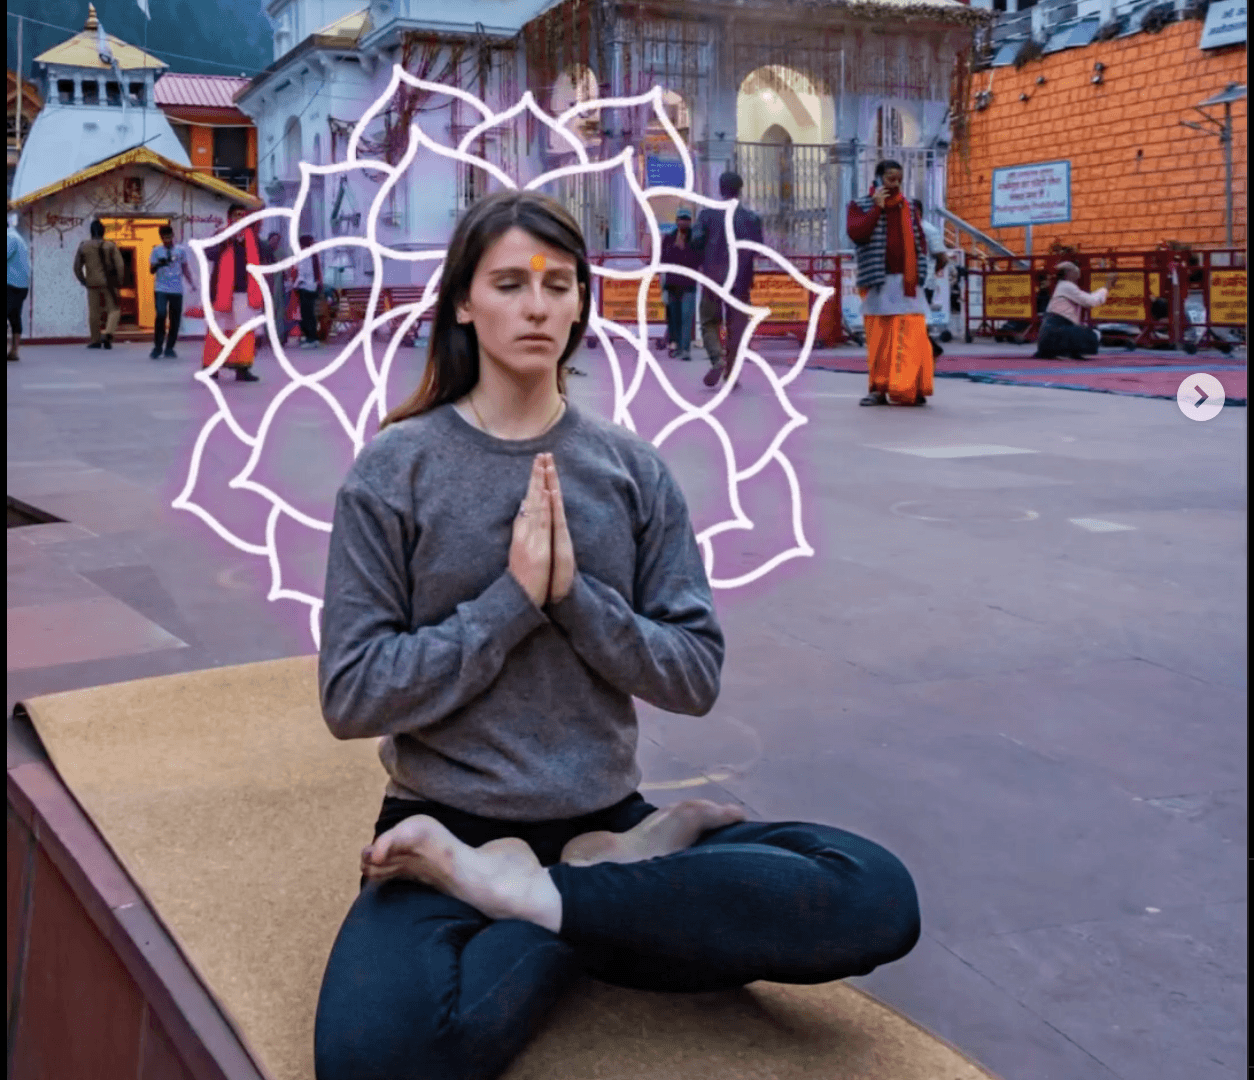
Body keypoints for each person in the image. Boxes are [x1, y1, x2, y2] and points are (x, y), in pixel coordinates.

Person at [312, 189, 921, 1080]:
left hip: (606, 819)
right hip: (443, 831)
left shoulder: (631, 469)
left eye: (558, 284)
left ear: (581, 303)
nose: (536, 305)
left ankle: (546, 894)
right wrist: (512, 602)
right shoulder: (394, 471)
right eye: (510, 282)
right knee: (374, 1063)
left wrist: (578, 599)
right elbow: (352, 693)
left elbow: (694, 674)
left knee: (873, 892)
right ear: (461, 303)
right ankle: (584, 903)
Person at [846, 161, 931, 407]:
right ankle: (878, 389)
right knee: (880, 341)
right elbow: (857, 234)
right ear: (879, 179)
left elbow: (920, 242)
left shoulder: (910, 206)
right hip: (878, 281)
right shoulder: (860, 205)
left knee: (913, 336)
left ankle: (910, 388)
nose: (895, 185)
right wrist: (876, 209)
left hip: (908, 282)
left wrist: (921, 273)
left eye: (899, 180)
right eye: (890, 180)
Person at [691, 171, 763, 388]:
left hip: (713, 277)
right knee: (737, 328)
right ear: (740, 190)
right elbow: (758, 249)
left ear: (721, 190)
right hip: (740, 281)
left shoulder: (707, 216)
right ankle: (732, 373)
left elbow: (696, 241)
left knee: (709, 322)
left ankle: (716, 359)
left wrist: (703, 259)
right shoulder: (752, 219)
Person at [202, 204, 263, 382]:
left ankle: (242, 369)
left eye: (242, 215)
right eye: (236, 215)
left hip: (245, 292)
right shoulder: (221, 234)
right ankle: (211, 368)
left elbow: (265, 259)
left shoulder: (253, 238)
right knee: (218, 330)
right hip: (222, 292)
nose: (239, 218)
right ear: (229, 217)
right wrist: (224, 242)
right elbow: (208, 253)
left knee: (244, 331)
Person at [1034, 262, 1116, 360]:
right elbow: (1090, 301)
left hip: (1048, 337)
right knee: (1094, 334)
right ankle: (1066, 351)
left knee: (1081, 330)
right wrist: (1107, 287)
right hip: (1056, 333)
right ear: (1069, 273)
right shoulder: (1066, 285)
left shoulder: (1061, 286)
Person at [73, 219, 125, 350]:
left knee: (94, 312)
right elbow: (120, 265)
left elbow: (77, 267)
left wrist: (83, 280)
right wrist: (119, 281)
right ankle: (108, 333)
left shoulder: (84, 246)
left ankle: (95, 340)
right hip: (108, 282)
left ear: (91, 232)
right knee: (114, 309)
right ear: (103, 232)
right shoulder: (110, 246)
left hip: (92, 283)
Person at [660, 208, 701, 361]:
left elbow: (697, 260)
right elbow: (664, 259)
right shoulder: (669, 238)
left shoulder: (695, 239)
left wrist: (684, 249)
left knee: (686, 317)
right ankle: (676, 346)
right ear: (676, 221)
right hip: (672, 285)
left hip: (689, 285)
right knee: (674, 318)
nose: (683, 222)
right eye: (681, 219)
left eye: (686, 219)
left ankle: (685, 350)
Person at [149, 224, 195, 359]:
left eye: (169, 237)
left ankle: (170, 347)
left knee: (175, 318)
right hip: (161, 288)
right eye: (164, 238)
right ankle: (157, 347)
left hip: (176, 288)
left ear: (173, 236)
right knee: (161, 314)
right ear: (161, 238)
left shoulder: (181, 251)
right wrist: (159, 264)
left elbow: (185, 268)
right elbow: (151, 270)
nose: (167, 240)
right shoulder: (156, 251)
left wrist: (191, 283)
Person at [913, 199, 949, 360]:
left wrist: (933, 273)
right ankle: (928, 348)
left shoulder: (928, 230)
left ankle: (930, 348)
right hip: (907, 281)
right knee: (912, 318)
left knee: (917, 317)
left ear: (919, 212)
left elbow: (943, 257)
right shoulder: (904, 230)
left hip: (924, 282)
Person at [265, 230, 298, 346]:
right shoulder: (265, 251)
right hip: (266, 283)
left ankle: (279, 337)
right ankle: (268, 337)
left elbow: (286, 269)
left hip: (278, 285)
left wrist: (289, 280)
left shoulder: (281, 253)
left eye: (277, 240)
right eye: (273, 239)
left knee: (280, 311)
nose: (275, 242)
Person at [7, 207, 30, 363]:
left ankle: (14, 351)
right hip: (20, 285)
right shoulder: (16, 237)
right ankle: (14, 352)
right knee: (15, 317)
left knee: (13, 316)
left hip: (12, 284)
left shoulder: (10, 238)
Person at [294, 234, 323, 349]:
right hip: (314, 287)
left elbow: (302, 274)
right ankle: (313, 338)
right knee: (311, 314)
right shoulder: (315, 255)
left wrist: (295, 285)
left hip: (305, 288)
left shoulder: (304, 255)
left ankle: (310, 338)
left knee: (306, 315)